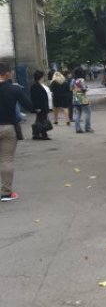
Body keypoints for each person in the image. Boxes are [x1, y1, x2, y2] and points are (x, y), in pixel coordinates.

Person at [0, 62, 36, 202]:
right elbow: (29, 106)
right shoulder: (14, 89)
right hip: (8, 127)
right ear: (7, 73)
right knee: (6, 160)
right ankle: (6, 193)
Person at [30, 70, 52, 140]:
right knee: (43, 120)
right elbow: (35, 98)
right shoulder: (36, 86)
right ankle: (44, 135)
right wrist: (37, 107)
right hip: (40, 107)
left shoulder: (37, 85)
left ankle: (36, 134)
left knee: (39, 120)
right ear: (41, 77)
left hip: (41, 106)